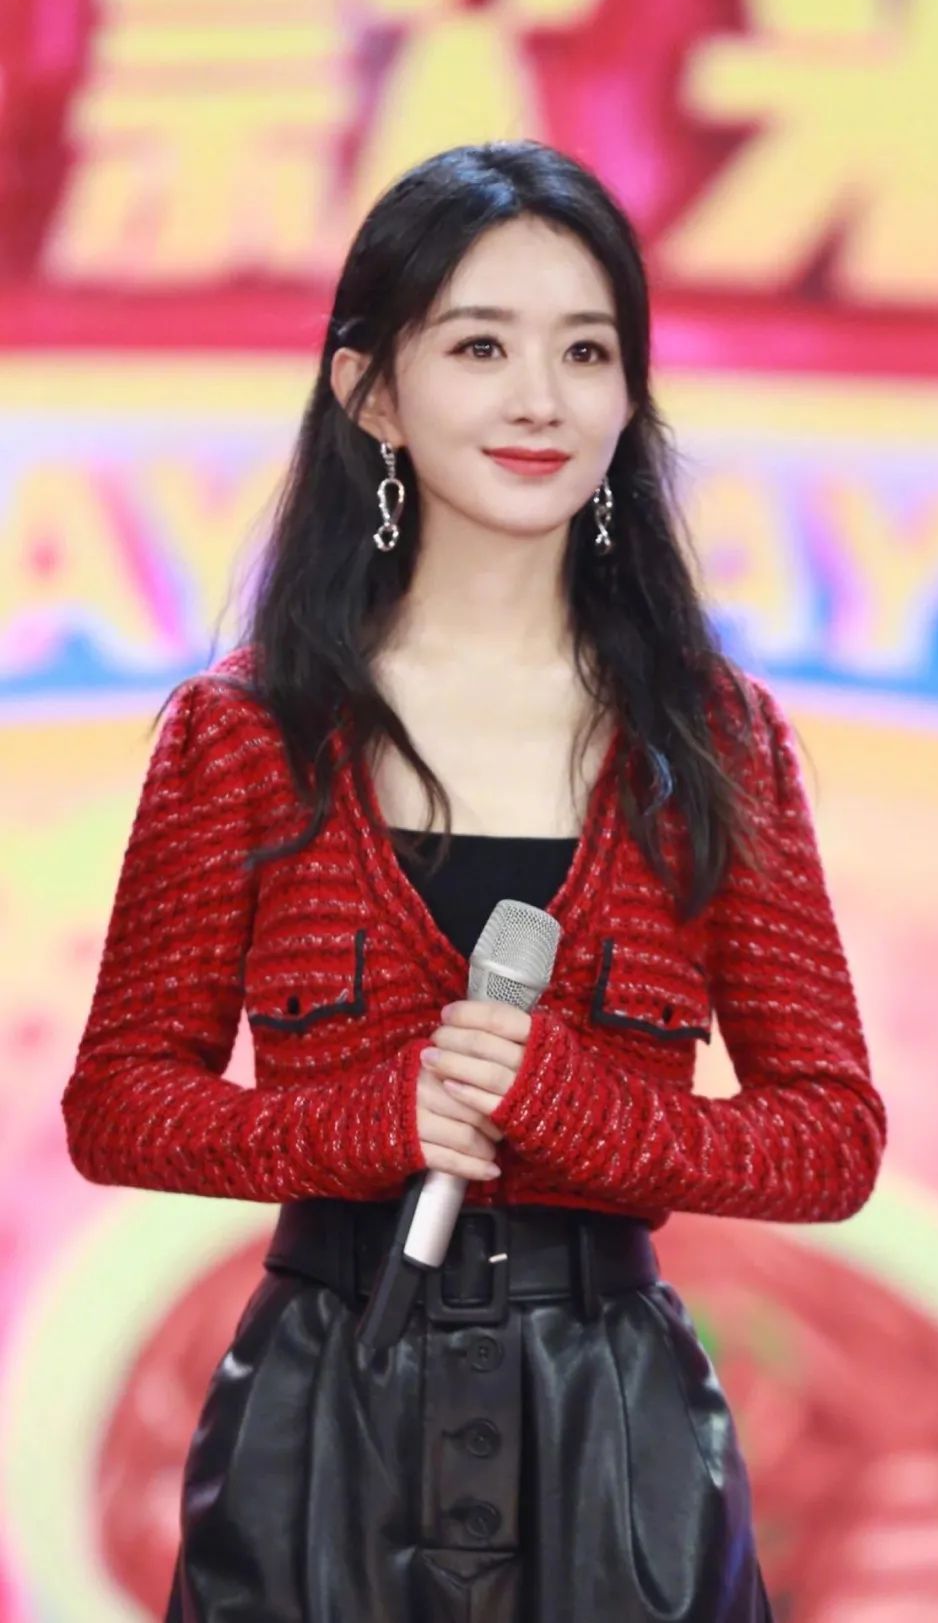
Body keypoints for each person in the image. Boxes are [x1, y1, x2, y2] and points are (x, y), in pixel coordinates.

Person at [62, 139, 887, 1622]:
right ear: (370, 391)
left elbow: (830, 1137)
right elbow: (119, 1103)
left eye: (587, 351)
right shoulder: (245, 733)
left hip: (611, 1430)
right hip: (323, 1413)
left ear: (629, 395)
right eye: (480, 347)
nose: (539, 400)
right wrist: (364, 1122)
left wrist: (583, 1109)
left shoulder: (713, 738)